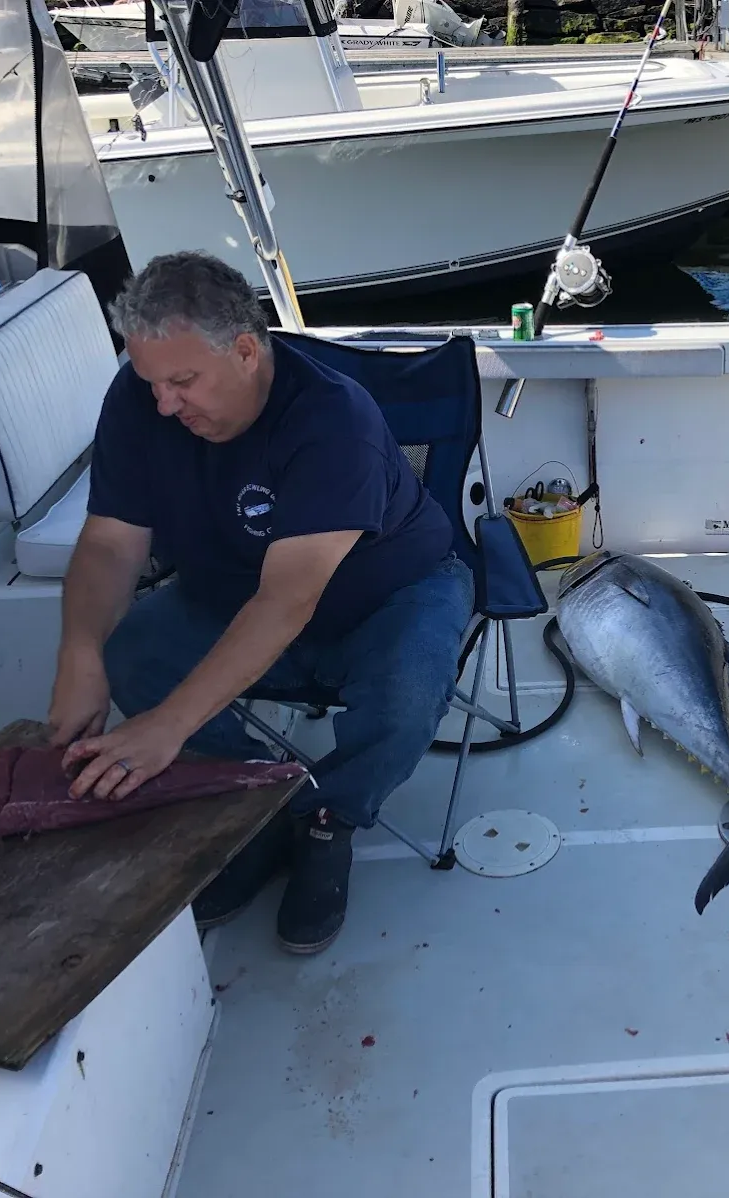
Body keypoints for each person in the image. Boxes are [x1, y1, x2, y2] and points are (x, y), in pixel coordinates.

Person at [47, 251, 473, 955]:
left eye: (183, 381)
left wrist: (166, 727)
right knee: (132, 652)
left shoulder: (333, 419)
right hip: (228, 587)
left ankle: (328, 816)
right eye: (152, 382)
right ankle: (257, 804)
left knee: (405, 693)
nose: (163, 405)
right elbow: (110, 544)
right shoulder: (138, 400)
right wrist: (79, 652)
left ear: (245, 351)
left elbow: (286, 599)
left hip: (389, 593)